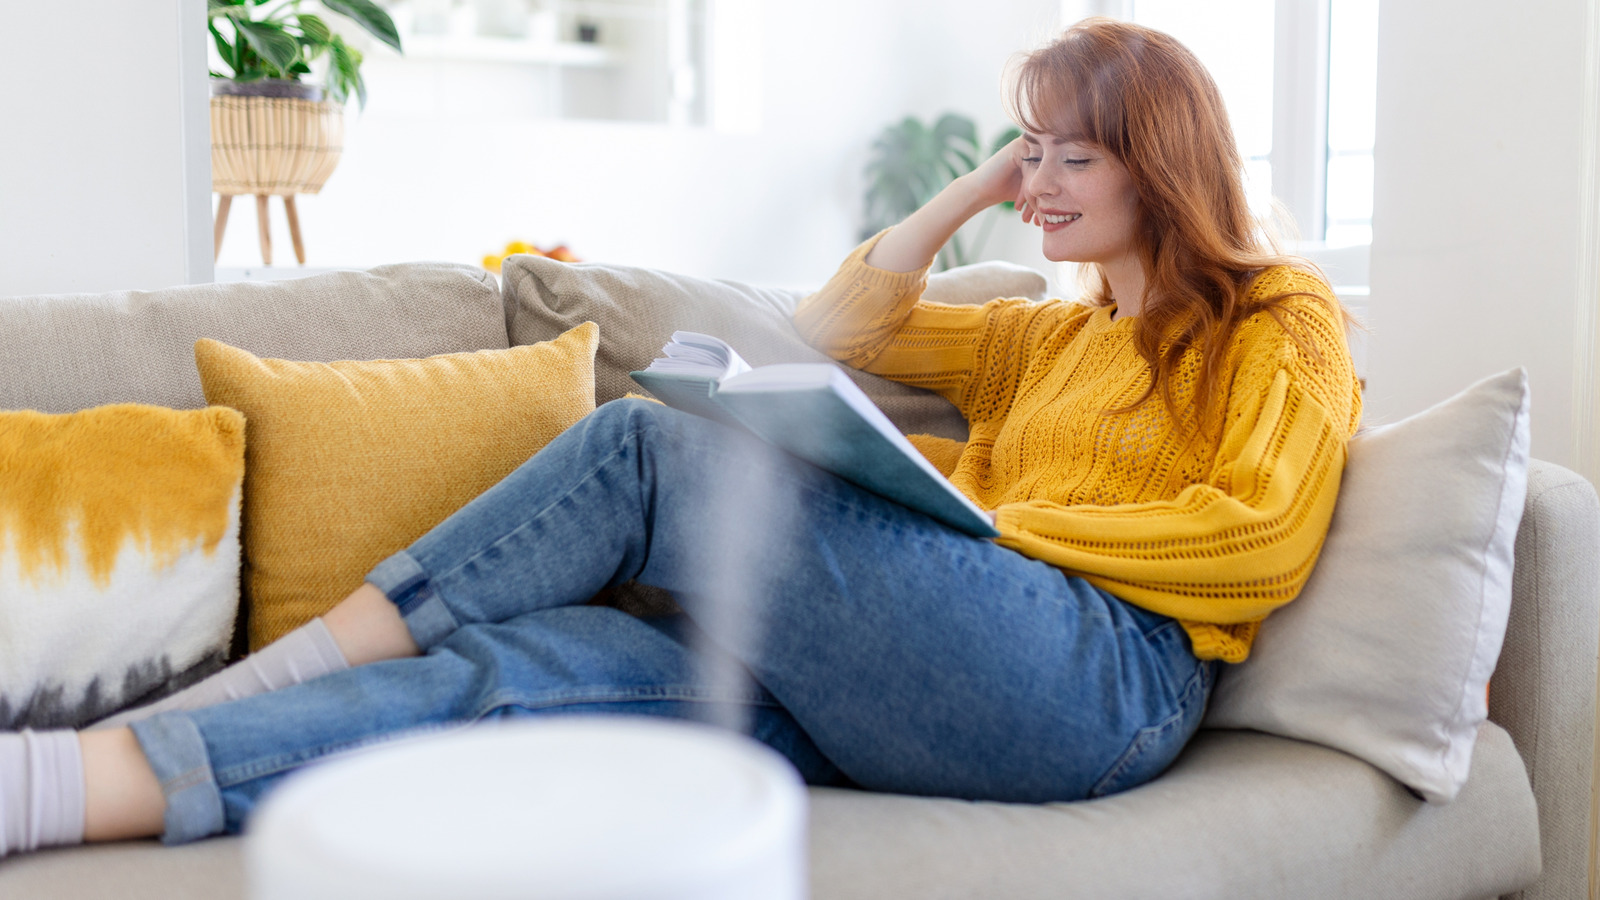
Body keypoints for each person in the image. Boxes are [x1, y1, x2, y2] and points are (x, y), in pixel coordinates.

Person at [0, 17, 1360, 857]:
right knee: (518, 673)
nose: (1041, 184)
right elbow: (843, 327)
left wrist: (993, 534)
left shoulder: (1273, 317)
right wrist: (972, 192)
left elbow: (1255, 540)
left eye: (1075, 155)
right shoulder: (1041, 338)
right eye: (1030, 153)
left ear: (1162, 158)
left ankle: (258, 678)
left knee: (645, 448)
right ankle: (66, 785)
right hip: (945, 673)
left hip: (1100, 688)